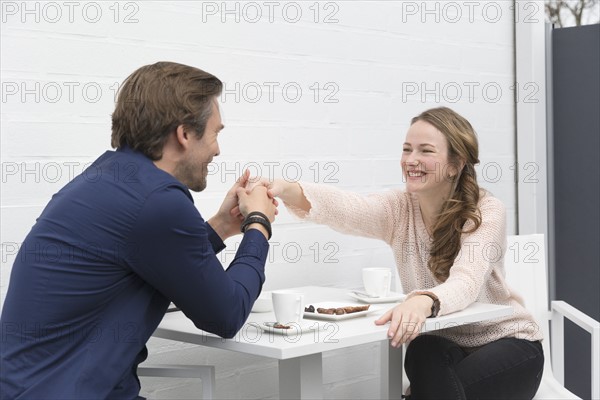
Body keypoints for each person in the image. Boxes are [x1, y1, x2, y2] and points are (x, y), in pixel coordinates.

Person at [0, 62, 277, 399]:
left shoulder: (110, 177)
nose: (217, 149)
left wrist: (221, 226)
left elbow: (151, 258)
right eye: (216, 133)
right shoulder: (157, 201)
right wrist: (258, 225)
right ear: (185, 134)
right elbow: (226, 315)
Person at [263, 107, 544, 399]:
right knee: (422, 347)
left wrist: (424, 301)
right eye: (407, 149)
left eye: (425, 151)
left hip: (509, 345)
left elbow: (467, 281)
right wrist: (285, 188)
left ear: (455, 164)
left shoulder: (486, 211)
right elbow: (349, 208)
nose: (411, 160)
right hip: (445, 350)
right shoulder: (399, 209)